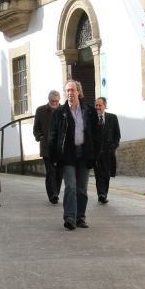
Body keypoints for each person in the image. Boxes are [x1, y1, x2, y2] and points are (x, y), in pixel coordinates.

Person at [48, 80, 95, 230]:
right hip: (67, 155)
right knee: (70, 186)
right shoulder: (59, 113)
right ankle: (69, 217)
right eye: (67, 91)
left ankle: (80, 217)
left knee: (82, 189)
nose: (70, 93)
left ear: (78, 92)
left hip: (84, 154)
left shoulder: (88, 110)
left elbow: (96, 135)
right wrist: (54, 157)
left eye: (72, 90)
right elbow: (52, 136)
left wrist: (95, 154)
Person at [34, 90, 63, 204]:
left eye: (56, 101)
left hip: (61, 148)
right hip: (47, 147)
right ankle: (53, 195)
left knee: (59, 172)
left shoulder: (64, 110)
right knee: (50, 171)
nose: (54, 103)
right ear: (49, 100)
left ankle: (56, 192)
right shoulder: (40, 110)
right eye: (52, 101)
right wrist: (40, 136)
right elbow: (36, 127)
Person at [92, 96, 121, 204]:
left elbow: (117, 135)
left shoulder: (112, 118)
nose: (97, 107)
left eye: (100, 105)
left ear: (105, 106)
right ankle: (101, 194)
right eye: (96, 105)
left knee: (107, 174)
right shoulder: (92, 119)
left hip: (108, 152)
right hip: (96, 152)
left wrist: (113, 147)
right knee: (98, 174)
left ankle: (105, 193)